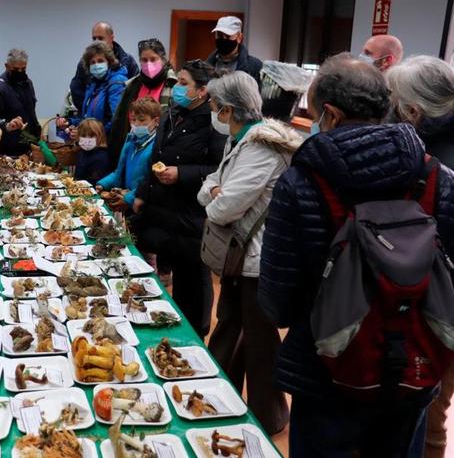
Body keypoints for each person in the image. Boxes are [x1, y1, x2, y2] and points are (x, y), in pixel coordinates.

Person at [259, 53, 454, 457]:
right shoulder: (437, 176)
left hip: (328, 367)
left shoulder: (301, 181)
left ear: (329, 113)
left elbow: (279, 300)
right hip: (413, 366)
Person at [198, 71, 297, 435]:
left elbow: (225, 207)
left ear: (228, 109)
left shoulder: (262, 146)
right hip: (238, 257)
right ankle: (217, 399)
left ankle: (269, 417)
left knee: (260, 340)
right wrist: (215, 193)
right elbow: (211, 186)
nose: (211, 111)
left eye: (214, 106)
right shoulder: (239, 139)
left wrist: (215, 196)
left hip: (257, 258)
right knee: (230, 327)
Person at [386, 55, 454, 458]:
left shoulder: (427, 162)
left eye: (393, 100)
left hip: (431, 309)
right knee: (434, 408)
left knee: (424, 409)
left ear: (412, 111)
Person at [132, 60, 227, 337]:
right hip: (165, 210)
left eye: (184, 83)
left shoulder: (214, 124)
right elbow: (156, 157)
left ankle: (195, 337)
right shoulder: (172, 113)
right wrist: (141, 193)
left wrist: (182, 173)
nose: (177, 88)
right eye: (177, 82)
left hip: (191, 213)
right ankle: (174, 332)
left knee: (193, 280)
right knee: (173, 279)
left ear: (202, 91)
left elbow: (219, 170)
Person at [107, 38, 178, 168]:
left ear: (163, 59)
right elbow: (119, 122)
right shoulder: (132, 85)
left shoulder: (174, 86)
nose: (148, 64)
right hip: (131, 150)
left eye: (153, 59)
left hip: (159, 153)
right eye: (144, 60)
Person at [97, 97, 160, 212]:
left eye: (142, 120)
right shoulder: (130, 142)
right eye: (133, 120)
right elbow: (119, 172)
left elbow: (150, 181)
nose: (136, 124)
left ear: (156, 121)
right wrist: (102, 184)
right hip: (124, 197)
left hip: (140, 203)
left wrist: (129, 198)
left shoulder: (156, 147)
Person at [69, 21, 139, 113]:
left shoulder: (127, 61)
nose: (97, 42)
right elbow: (77, 89)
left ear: (111, 38)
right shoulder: (85, 63)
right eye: (94, 38)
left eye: (100, 38)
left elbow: (136, 89)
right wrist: (89, 111)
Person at [0, 48, 41, 157]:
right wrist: (7, 125)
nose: (20, 72)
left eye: (23, 69)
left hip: (29, 148)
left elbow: (31, 112)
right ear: (7, 66)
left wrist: (37, 133)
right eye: (16, 69)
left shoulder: (28, 84)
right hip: (7, 153)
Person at [206, 16, 263, 85]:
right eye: (219, 35)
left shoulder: (254, 66)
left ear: (239, 37)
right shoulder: (207, 65)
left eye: (228, 36)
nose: (223, 39)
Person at [74, 118, 110, 184]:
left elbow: (95, 182)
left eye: (91, 136)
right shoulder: (81, 152)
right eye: (83, 135)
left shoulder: (101, 157)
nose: (87, 139)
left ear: (100, 136)